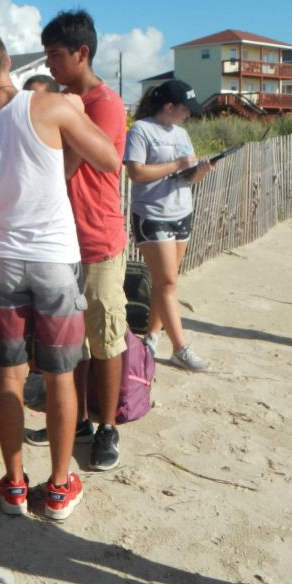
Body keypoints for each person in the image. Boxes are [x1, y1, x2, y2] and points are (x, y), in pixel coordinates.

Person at [0, 20, 119, 520]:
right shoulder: (50, 106)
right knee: (62, 376)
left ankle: (15, 485)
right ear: (5, 59)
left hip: (3, 261)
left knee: (8, 376)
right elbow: (108, 159)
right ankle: (60, 486)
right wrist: (57, 153)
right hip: (54, 262)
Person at [25, 9, 128, 473]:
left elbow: (67, 163)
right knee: (74, 342)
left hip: (98, 239)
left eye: (55, 55)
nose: (49, 64)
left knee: (105, 337)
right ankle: (81, 419)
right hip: (63, 240)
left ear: (81, 53)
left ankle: (108, 426)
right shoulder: (63, 101)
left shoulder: (104, 103)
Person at [124, 80, 212, 370]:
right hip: (152, 214)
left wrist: (199, 172)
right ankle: (180, 348)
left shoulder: (182, 133)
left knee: (167, 281)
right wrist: (175, 165)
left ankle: (151, 336)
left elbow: (187, 178)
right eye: (186, 109)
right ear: (170, 107)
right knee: (168, 282)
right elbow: (135, 172)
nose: (189, 115)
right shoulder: (140, 130)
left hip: (181, 211)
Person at [21, 72, 60, 407]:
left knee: (54, 327)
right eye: (27, 97)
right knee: (29, 323)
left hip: (54, 251)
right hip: (19, 251)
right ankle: (35, 374)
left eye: (39, 98)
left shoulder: (59, 142)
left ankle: (47, 380)